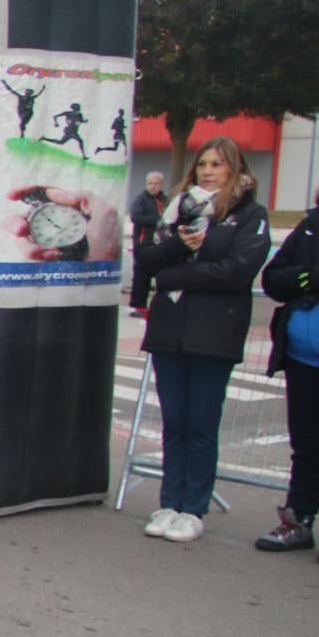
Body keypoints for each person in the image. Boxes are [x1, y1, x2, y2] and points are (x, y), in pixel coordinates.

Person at [135, 136, 270, 543]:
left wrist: (180, 275)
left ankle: (193, 508)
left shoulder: (250, 213)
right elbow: (148, 261)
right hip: (170, 328)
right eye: (202, 164)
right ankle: (169, 503)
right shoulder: (177, 209)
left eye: (217, 164)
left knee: (200, 423)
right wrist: (178, 246)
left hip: (214, 332)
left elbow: (238, 270)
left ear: (233, 168)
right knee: (174, 421)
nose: (208, 171)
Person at [255, 199, 319, 554]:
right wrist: (309, 276)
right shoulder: (310, 226)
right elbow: (274, 280)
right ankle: (299, 519)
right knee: (307, 443)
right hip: (303, 357)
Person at [128, 171, 166, 315]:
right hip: (143, 244)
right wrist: (157, 220)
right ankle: (139, 307)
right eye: (150, 183)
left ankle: (160, 306)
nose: (153, 186)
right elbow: (135, 217)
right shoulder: (141, 199)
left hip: (160, 244)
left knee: (162, 275)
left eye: (156, 183)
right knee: (141, 276)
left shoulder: (165, 199)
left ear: (161, 184)